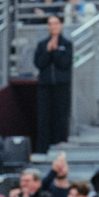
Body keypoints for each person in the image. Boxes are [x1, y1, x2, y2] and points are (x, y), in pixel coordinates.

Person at [33, 13, 73, 151]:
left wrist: (55, 51)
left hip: (62, 86)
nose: (53, 27)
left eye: (56, 23)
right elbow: (39, 63)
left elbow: (65, 63)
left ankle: (59, 145)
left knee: (60, 117)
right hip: (45, 85)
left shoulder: (66, 44)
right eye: (50, 24)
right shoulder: (42, 44)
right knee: (44, 118)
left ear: (61, 25)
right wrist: (48, 51)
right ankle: (43, 148)